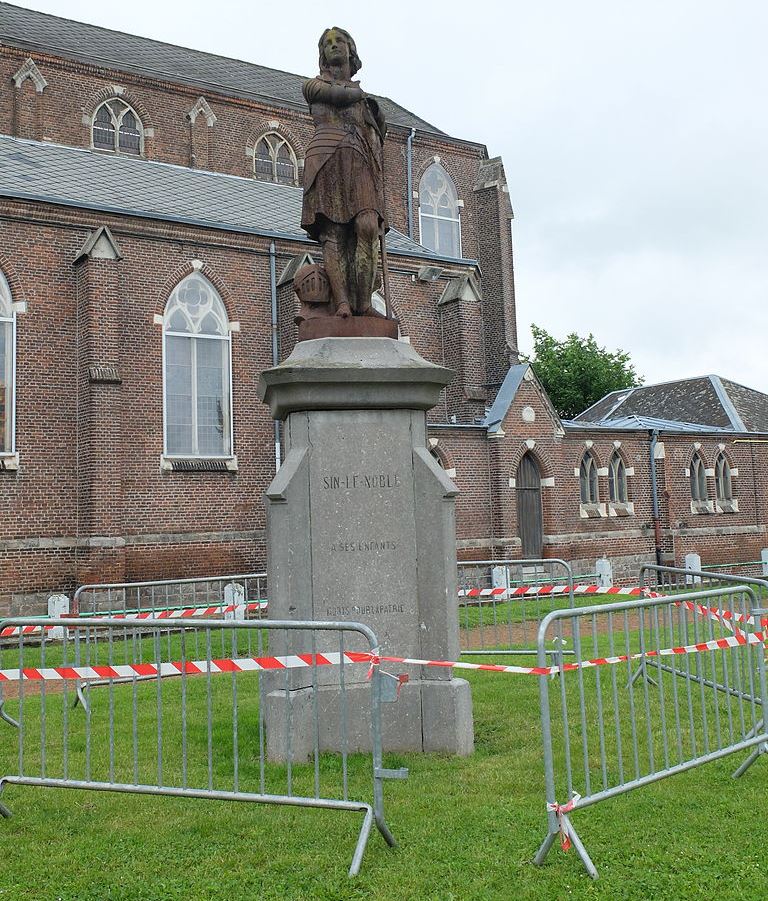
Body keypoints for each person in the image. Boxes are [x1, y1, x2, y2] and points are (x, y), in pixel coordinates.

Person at [301, 27, 388, 318]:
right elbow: (339, 96)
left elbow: (376, 138)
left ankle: (363, 303)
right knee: (334, 232)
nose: (334, 46)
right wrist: (363, 97)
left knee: (366, 227)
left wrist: (377, 120)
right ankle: (341, 304)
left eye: (340, 41)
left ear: (351, 49)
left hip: (360, 163)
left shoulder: (365, 101)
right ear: (322, 55)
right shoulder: (314, 86)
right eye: (328, 43)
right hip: (326, 158)